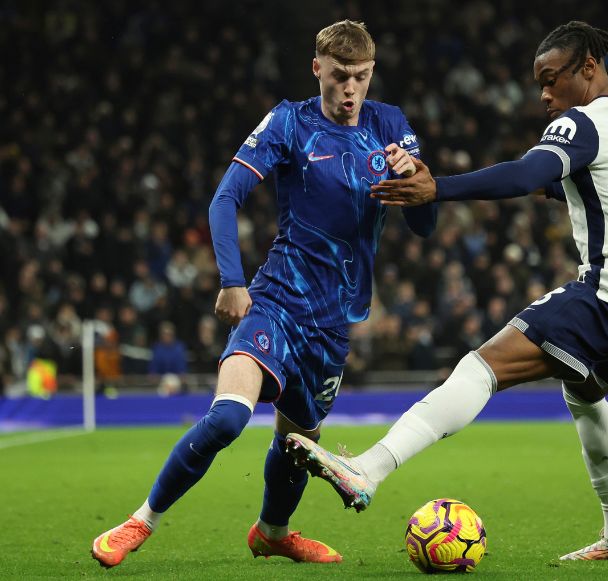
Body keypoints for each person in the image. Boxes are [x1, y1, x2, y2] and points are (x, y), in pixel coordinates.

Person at [286, 21, 608, 562]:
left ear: (589, 67)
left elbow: (525, 175)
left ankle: (367, 469)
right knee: (584, 391)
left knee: (482, 367)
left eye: (551, 79)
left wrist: (437, 188)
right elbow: (569, 187)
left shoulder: (582, 123)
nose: (544, 95)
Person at [91, 20, 437, 568]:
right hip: (276, 300)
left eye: (361, 77)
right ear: (317, 68)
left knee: (298, 445)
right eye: (340, 76)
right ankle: (141, 521)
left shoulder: (389, 124)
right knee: (228, 418)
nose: (350, 89)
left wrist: (415, 179)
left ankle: (273, 533)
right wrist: (232, 280)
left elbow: (424, 227)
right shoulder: (289, 122)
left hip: (333, 324)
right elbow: (224, 198)